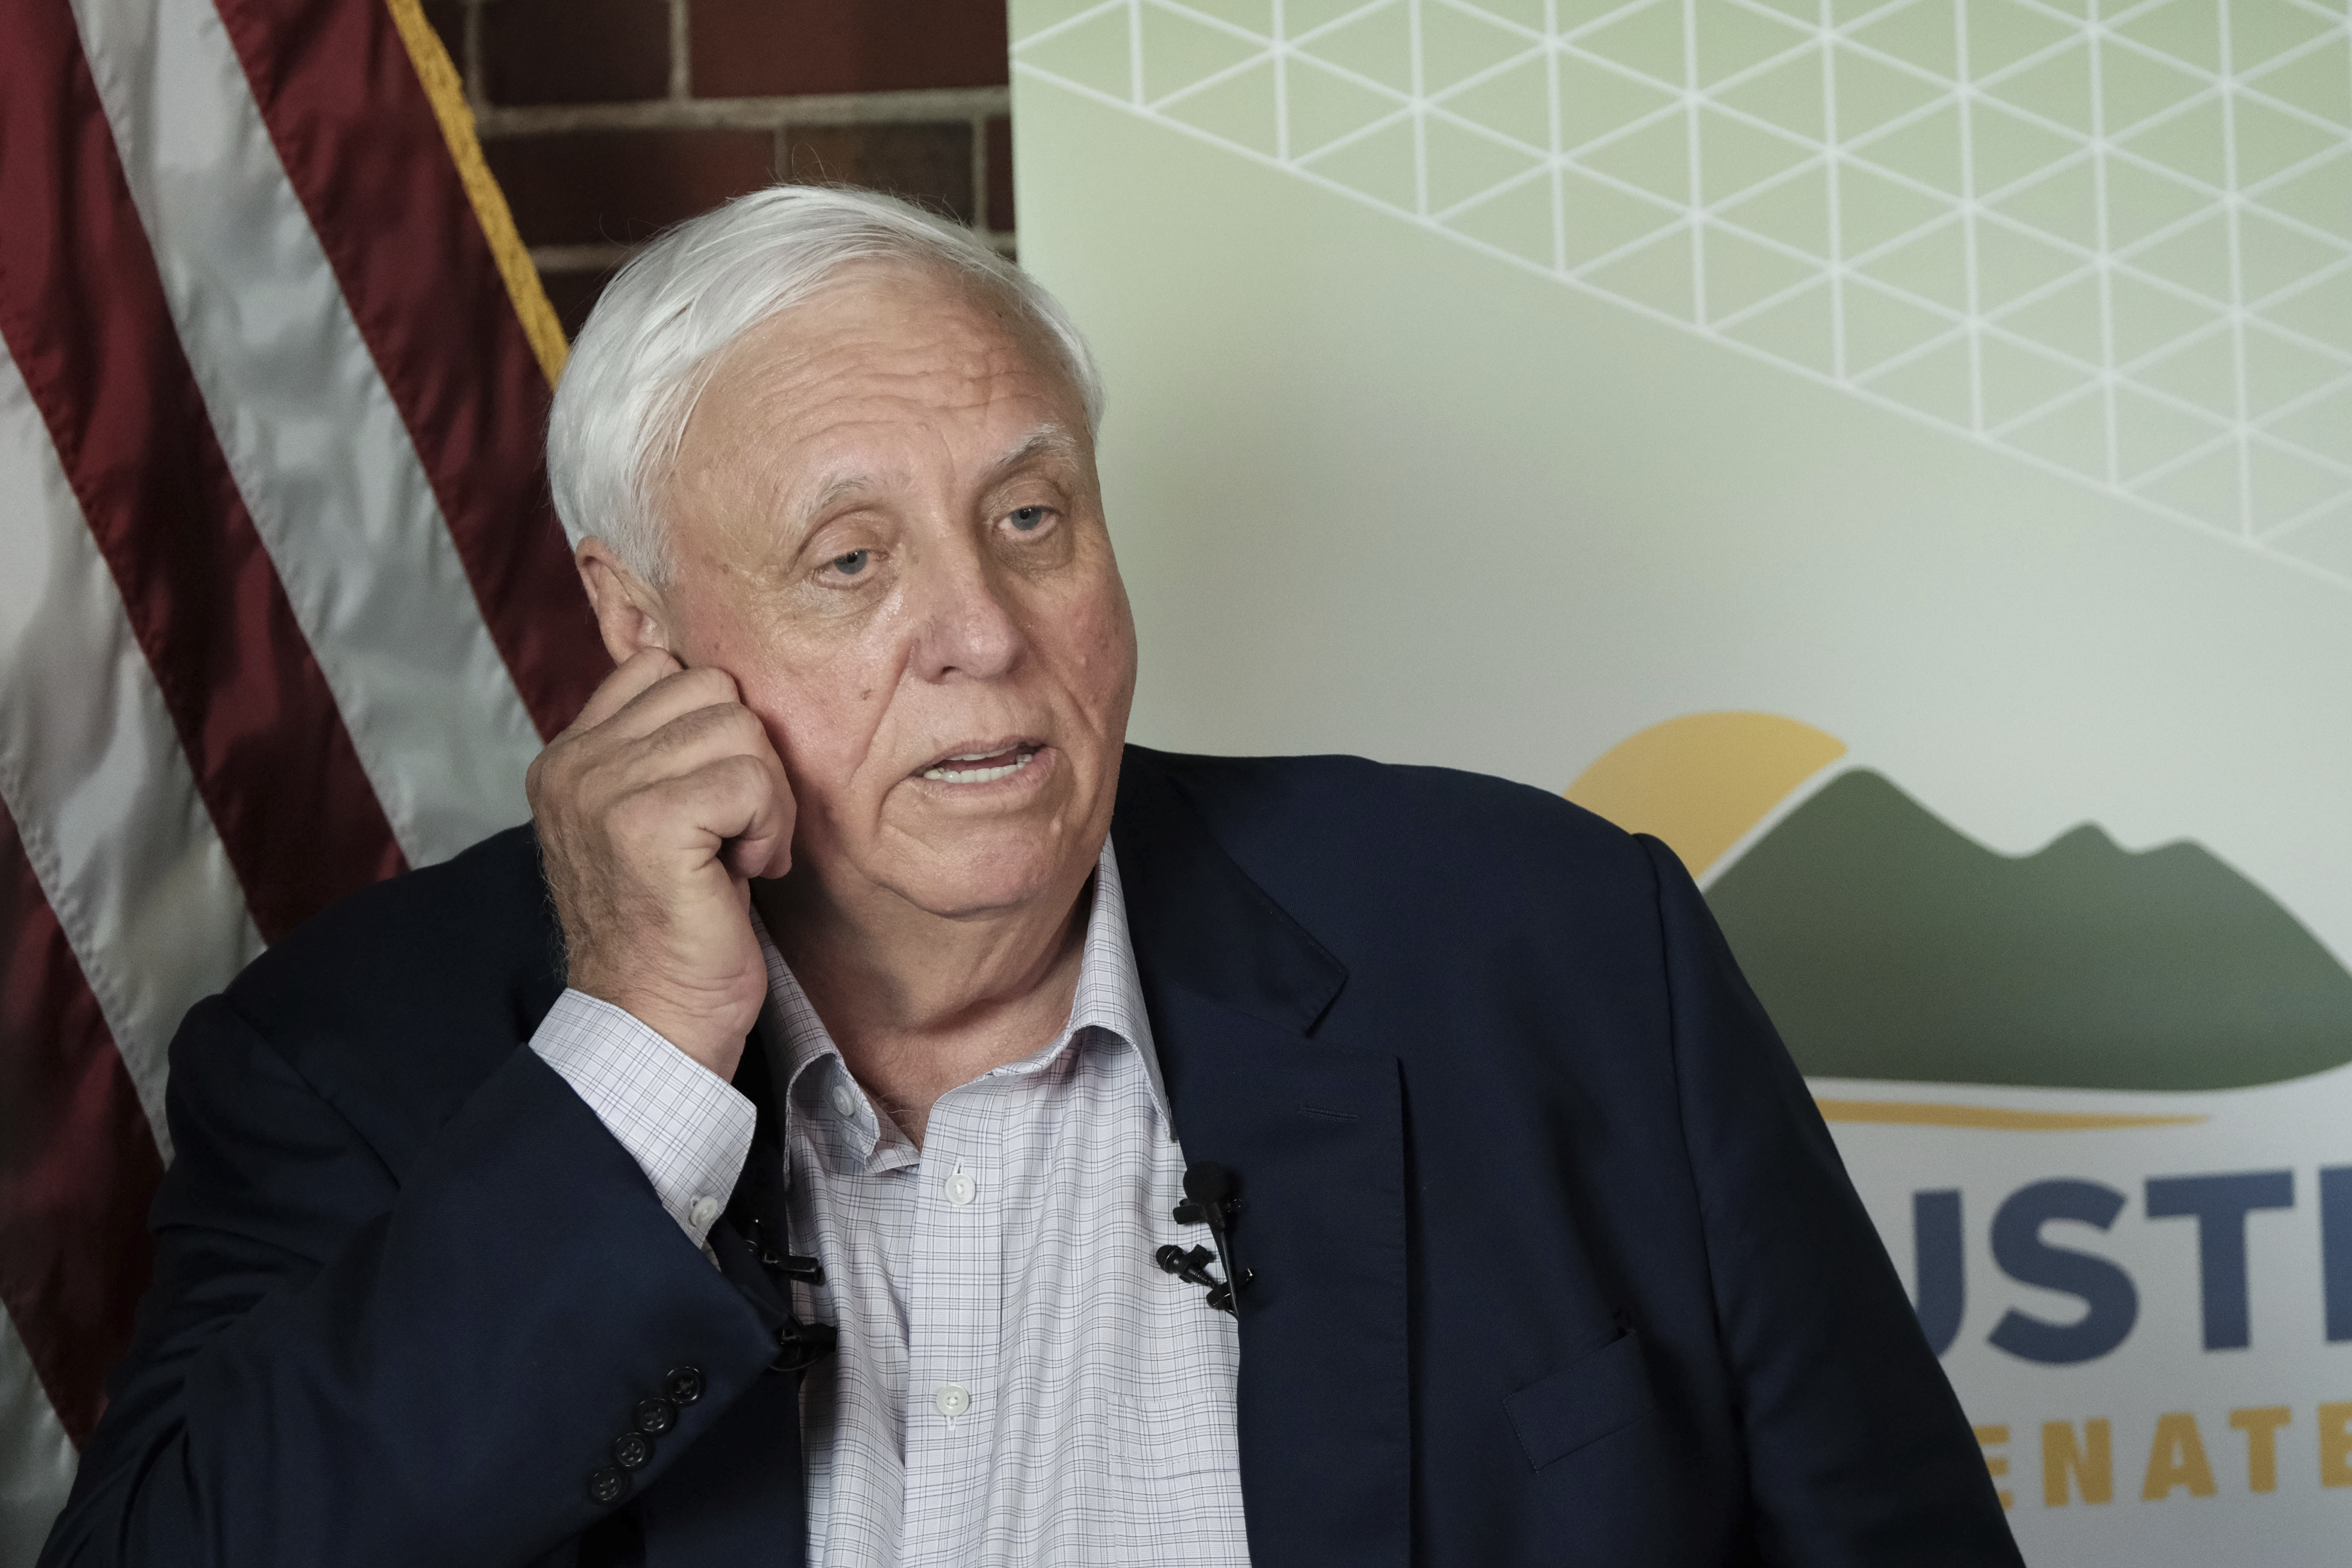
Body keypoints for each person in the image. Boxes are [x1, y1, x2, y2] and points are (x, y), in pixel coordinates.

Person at [43, 185, 2020, 1568]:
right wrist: (642, 1049)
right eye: (850, 558)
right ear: (639, 637)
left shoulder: (1557, 952)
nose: (980, 630)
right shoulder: (355, 1061)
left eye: (1029, 515)